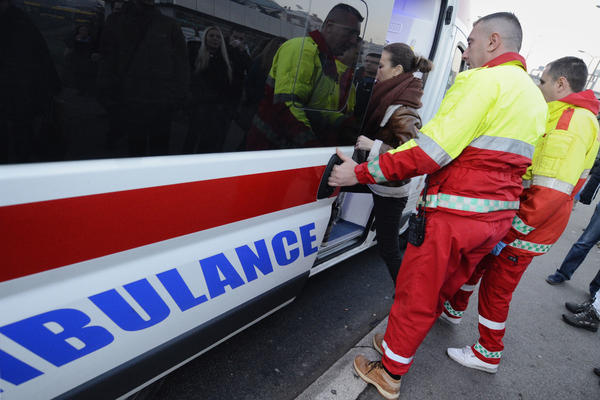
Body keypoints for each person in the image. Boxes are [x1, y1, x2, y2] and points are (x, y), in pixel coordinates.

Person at [328, 12, 547, 399]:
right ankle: (397, 344)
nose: (466, 54)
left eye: (473, 42)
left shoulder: (482, 81)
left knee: (418, 291)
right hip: (494, 218)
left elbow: (430, 153)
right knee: (442, 289)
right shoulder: (534, 96)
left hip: (454, 213)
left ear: (494, 41)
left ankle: (390, 373)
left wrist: (360, 174)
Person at [442, 56, 599, 373]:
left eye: (543, 81)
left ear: (560, 83)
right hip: (526, 220)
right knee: (480, 265)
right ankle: (454, 308)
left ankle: (488, 352)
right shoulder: (574, 118)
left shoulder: (570, 122)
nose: (539, 87)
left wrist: (513, 229)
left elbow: (551, 190)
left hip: (527, 226)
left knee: (497, 289)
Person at [353, 43, 432, 283]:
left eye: (381, 66)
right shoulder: (389, 94)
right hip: (375, 177)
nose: (376, 70)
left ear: (397, 70)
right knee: (332, 179)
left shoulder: (403, 109)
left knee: (388, 249)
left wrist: (373, 146)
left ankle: (406, 295)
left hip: (390, 189)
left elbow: (411, 153)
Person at [246, 3, 363, 150]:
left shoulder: (327, 60)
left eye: (356, 36)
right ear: (329, 25)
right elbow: (287, 106)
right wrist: (311, 146)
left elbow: (316, 109)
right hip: (269, 149)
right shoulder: (301, 49)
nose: (353, 41)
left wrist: (344, 123)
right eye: (350, 33)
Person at [97, 0, 189, 157]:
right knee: (139, 152)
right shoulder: (117, 21)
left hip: (156, 102)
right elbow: (107, 60)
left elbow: (181, 66)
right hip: (134, 100)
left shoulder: (169, 25)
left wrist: (177, 97)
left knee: (153, 153)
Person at [0, 0, 62, 164]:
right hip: (19, 87)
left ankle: (20, 161)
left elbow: (39, 53)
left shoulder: (21, 21)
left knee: (20, 127)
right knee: (19, 127)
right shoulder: (22, 20)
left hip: (20, 87)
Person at [184, 26, 233, 154]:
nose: (215, 39)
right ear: (205, 37)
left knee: (205, 143)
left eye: (218, 37)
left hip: (214, 110)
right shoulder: (195, 54)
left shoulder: (224, 61)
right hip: (197, 106)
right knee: (191, 139)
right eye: (211, 36)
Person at [354, 52, 380, 123]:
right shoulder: (352, 77)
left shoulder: (381, 84)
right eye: (366, 61)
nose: (368, 64)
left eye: (374, 62)